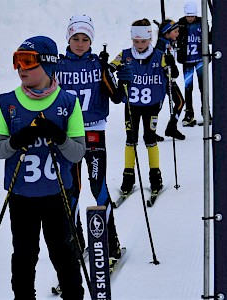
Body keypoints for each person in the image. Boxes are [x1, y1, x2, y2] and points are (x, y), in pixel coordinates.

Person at [0, 36, 86, 300]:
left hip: (57, 195)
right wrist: (16, 140)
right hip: (21, 196)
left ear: (47, 64)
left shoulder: (67, 103)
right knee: (24, 254)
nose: (21, 68)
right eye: (17, 61)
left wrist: (59, 136)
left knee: (63, 253)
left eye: (28, 61)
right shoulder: (8, 103)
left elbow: (78, 153)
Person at [56, 15, 131, 261]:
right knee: (72, 189)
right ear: (68, 38)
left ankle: (110, 242)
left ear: (92, 41)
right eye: (75, 38)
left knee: (98, 186)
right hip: (68, 137)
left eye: (85, 39)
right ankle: (75, 244)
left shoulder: (99, 64)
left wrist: (123, 79)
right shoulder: (58, 66)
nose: (80, 43)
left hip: (94, 132)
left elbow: (118, 97)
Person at [110, 18, 173, 196]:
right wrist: (105, 64)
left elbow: (172, 73)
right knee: (130, 139)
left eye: (143, 41)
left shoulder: (159, 55)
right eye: (136, 41)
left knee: (150, 138)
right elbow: (110, 67)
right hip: (131, 105)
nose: (139, 45)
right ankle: (128, 178)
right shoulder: (125, 55)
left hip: (151, 106)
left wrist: (170, 64)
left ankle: (155, 177)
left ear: (150, 39)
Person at [177, 1, 212, 126]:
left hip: (200, 60)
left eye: (192, 16)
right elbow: (175, 37)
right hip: (187, 61)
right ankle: (189, 114)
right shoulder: (181, 23)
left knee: (203, 87)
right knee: (188, 88)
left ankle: (206, 113)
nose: (190, 18)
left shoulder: (202, 22)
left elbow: (209, 38)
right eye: (188, 16)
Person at [154, 19, 186, 140]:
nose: (178, 34)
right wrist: (169, 69)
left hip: (169, 79)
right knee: (157, 106)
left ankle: (171, 127)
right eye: (175, 32)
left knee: (179, 102)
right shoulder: (161, 45)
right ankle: (150, 131)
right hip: (162, 80)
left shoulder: (168, 43)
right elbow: (158, 62)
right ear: (167, 33)